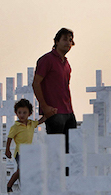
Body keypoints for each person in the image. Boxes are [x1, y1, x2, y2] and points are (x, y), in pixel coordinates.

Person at [32, 27, 76, 157]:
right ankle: (56, 177)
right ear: (56, 41)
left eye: (70, 40)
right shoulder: (47, 60)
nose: (68, 43)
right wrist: (45, 107)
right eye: (64, 39)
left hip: (68, 112)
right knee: (56, 152)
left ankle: (68, 177)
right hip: (54, 112)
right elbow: (36, 83)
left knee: (71, 151)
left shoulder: (67, 64)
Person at [5, 99, 46, 192]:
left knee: (27, 170)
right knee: (21, 169)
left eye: (24, 112)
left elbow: (41, 121)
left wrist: (49, 113)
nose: (22, 115)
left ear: (29, 113)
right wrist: (7, 150)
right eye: (19, 112)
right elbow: (9, 138)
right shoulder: (15, 127)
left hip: (29, 152)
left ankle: (27, 188)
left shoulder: (31, 124)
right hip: (20, 152)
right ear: (16, 113)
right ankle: (9, 185)